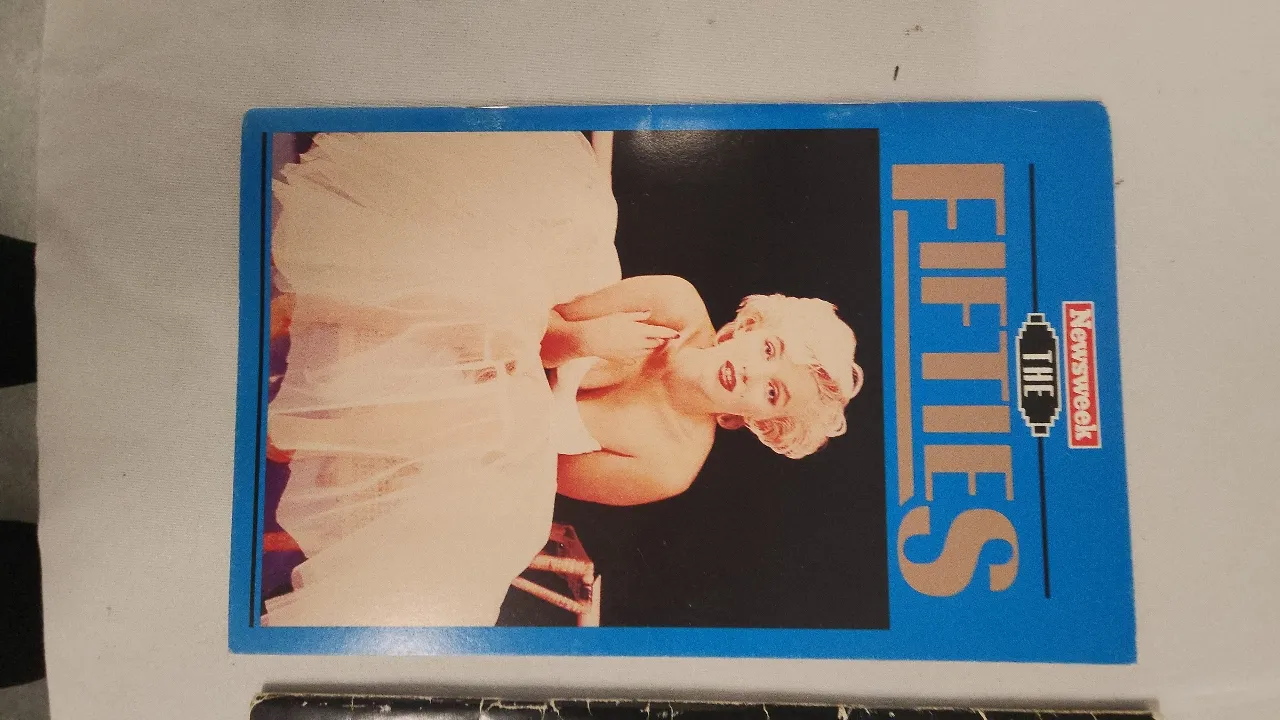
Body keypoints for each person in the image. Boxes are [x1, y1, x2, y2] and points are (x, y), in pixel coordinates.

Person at [262, 130, 863, 627]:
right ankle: (295, 317)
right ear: (749, 326)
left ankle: (287, 433)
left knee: (467, 465)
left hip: (497, 445)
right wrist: (584, 342)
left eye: (772, 391)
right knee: (493, 274)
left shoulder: (671, 464)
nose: (753, 373)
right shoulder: (676, 304)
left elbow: (538, 464)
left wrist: (546, 364)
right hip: (509, 330)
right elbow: (537, 317)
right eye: (769, 349)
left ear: (760, 421)